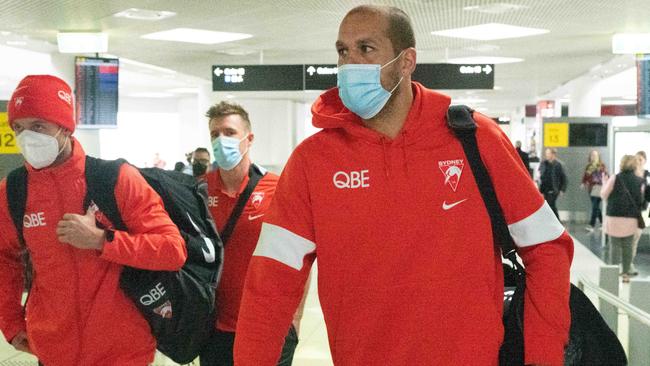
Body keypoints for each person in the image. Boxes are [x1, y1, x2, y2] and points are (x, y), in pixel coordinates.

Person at [234, 5, 573, 366]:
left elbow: (547, 247)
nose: (350, 65)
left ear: (406, 61)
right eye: (343, 51)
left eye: (366, 49)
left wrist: (543, 356)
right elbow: (270, 286)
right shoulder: (313, 161)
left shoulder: (476, 139)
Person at [0, 75, 186, 365]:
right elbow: (3, 256)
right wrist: (11, 323)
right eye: (19, 128)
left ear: (64, 128)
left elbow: (173, 250)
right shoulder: (13, 190)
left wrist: (103, 240)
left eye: (38, 126)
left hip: (123, 353)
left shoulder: (116, 179)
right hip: (51, 351)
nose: (27, 138)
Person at [198, 101, 300, 366]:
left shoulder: (277, 189)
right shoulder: (199, 191)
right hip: (215, 329)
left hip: (268, 327)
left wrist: (295, 319)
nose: (221, 140)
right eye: (214, 134)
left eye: (229, 132)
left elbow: (298, 255)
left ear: (249, 138)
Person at [601, 155, 644, 283]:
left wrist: (605, 183)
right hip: (631, 218)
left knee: (614, 246)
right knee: (628, 247)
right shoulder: (639, 181)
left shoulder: (615, 178)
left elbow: (604, 194)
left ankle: (613, 274)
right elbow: (641, 200)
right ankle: (625, 274)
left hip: (614, 217)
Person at [581, 150, 608, 232]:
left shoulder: (601, 166)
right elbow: (585, 176)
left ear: (598, 156)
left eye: (595, 155)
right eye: (592, 155)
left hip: (599, 188)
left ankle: (591, 225)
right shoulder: (588, 166)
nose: (593, 156)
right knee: (596, 206)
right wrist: (583, 182)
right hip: (591, 188)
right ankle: (603, 223)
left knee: (595, 206)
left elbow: (606, 175)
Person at [539, 147, 568, 219]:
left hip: (554, 189)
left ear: (553, 154)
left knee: (551, 204)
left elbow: (564, 178)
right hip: (544, 188)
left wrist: (562, 189)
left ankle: (557, 222)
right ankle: (553, 221)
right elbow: (540, 175)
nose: (547, 155)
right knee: (548, 205)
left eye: (548, 154)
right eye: (546, 154)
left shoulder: (559, 165)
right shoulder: (543, 163)